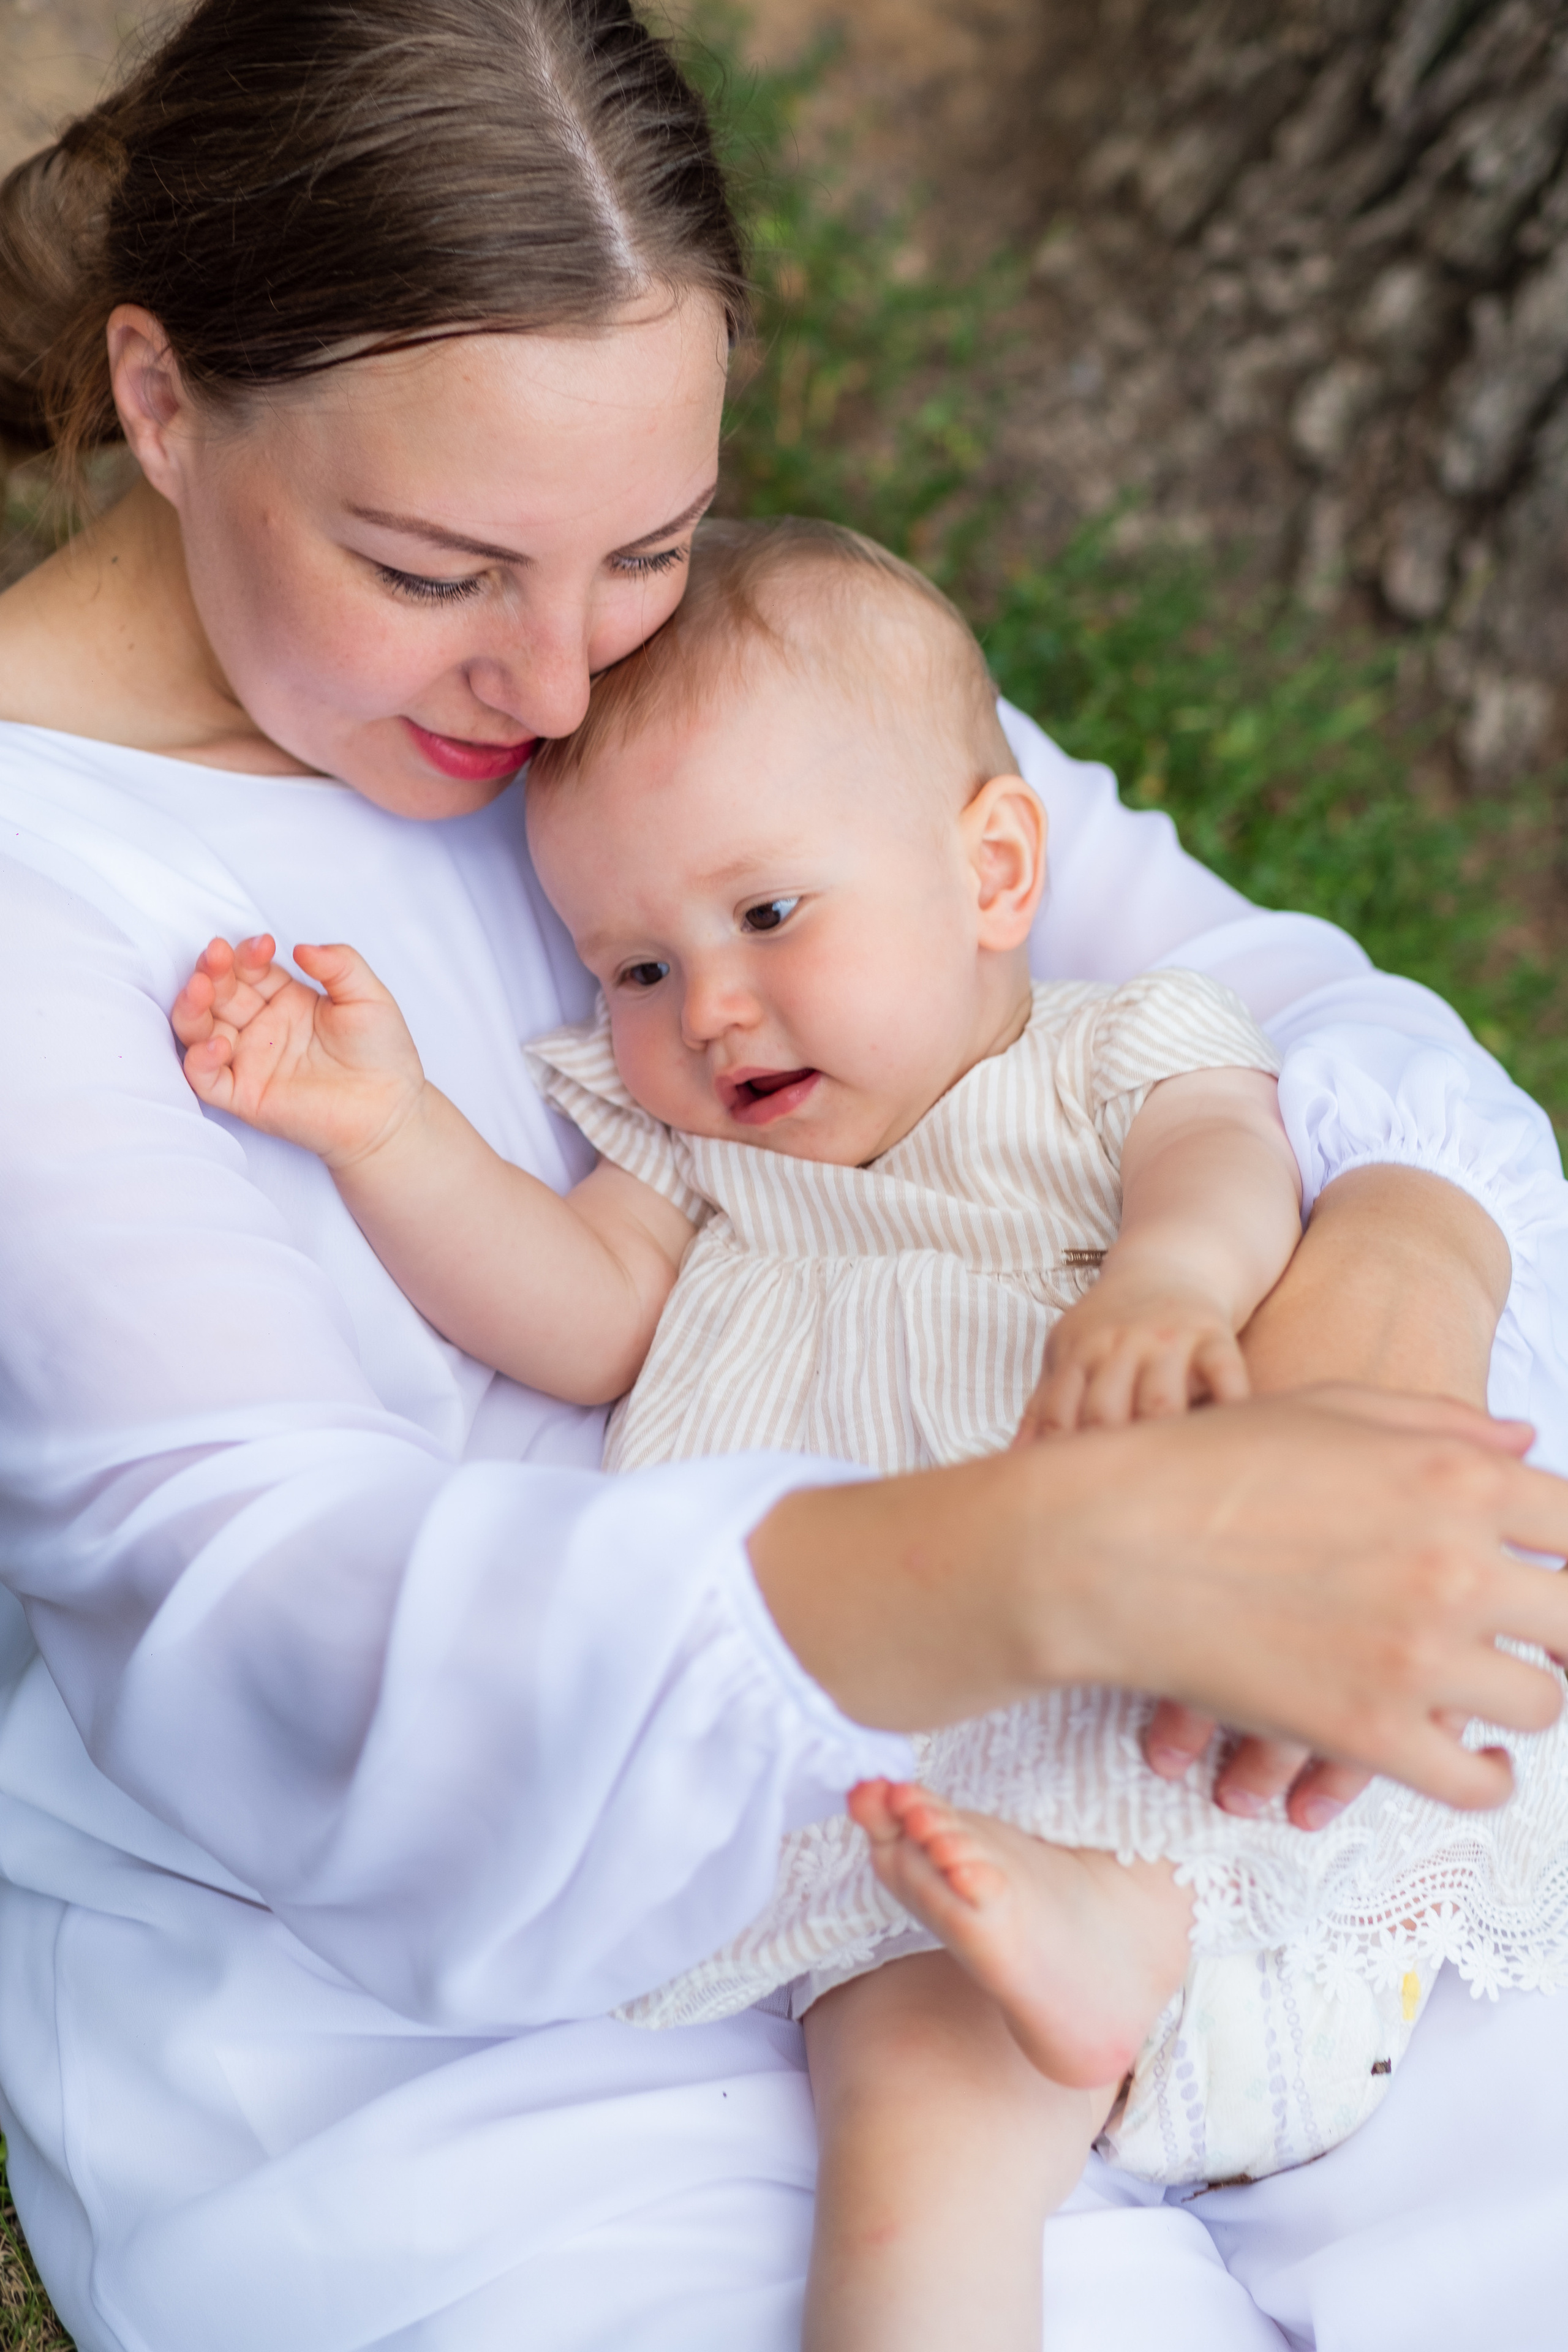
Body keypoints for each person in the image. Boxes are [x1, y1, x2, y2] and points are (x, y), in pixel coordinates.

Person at [0, 4, 1566, 2348]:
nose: (553, 691)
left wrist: (1381, 1300)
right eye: (434, 571)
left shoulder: (701, 674)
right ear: (157, 400)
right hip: (484, 1981)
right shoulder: (43, 899)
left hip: (1134, 1731)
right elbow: (278, 1635)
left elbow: (1282, 1013)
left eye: (642, 541)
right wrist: (1066, 1553)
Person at [165, 513, 1568, 2352]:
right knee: (906, 2129)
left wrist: (1160, 1286)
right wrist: (392, 1133)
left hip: (1210, 1713)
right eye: (634, 969)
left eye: (764, 915)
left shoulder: (1108, 1048)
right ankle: (1078, 1974)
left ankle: (1139, 1926)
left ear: (993, 872)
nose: (709, 1007)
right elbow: (578, 1319)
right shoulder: (698, 1164)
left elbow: (1225, 1171)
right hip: (936, 1861)